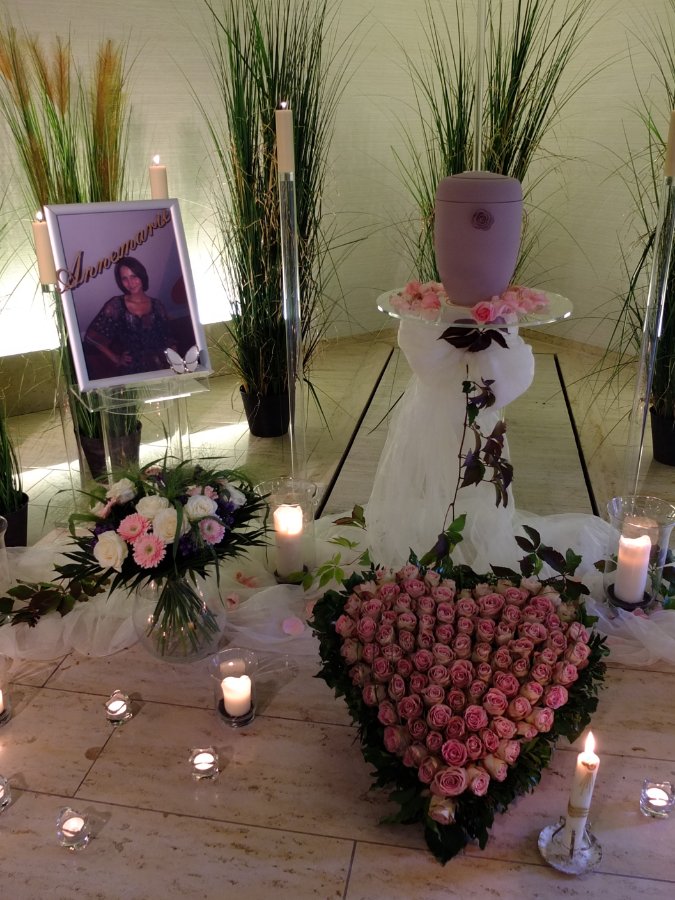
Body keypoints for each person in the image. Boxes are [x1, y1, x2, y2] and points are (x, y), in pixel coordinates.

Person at [84, 256, 175, 378]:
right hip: (132, 370)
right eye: (125, 279)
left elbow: (168, 337)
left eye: (134, 276)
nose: (130, 283)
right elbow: (91, 337)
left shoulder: (157, 305)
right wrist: (115, 358)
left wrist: (174, 361)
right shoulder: (116, 305)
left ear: (142, 276)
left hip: (160, 366)